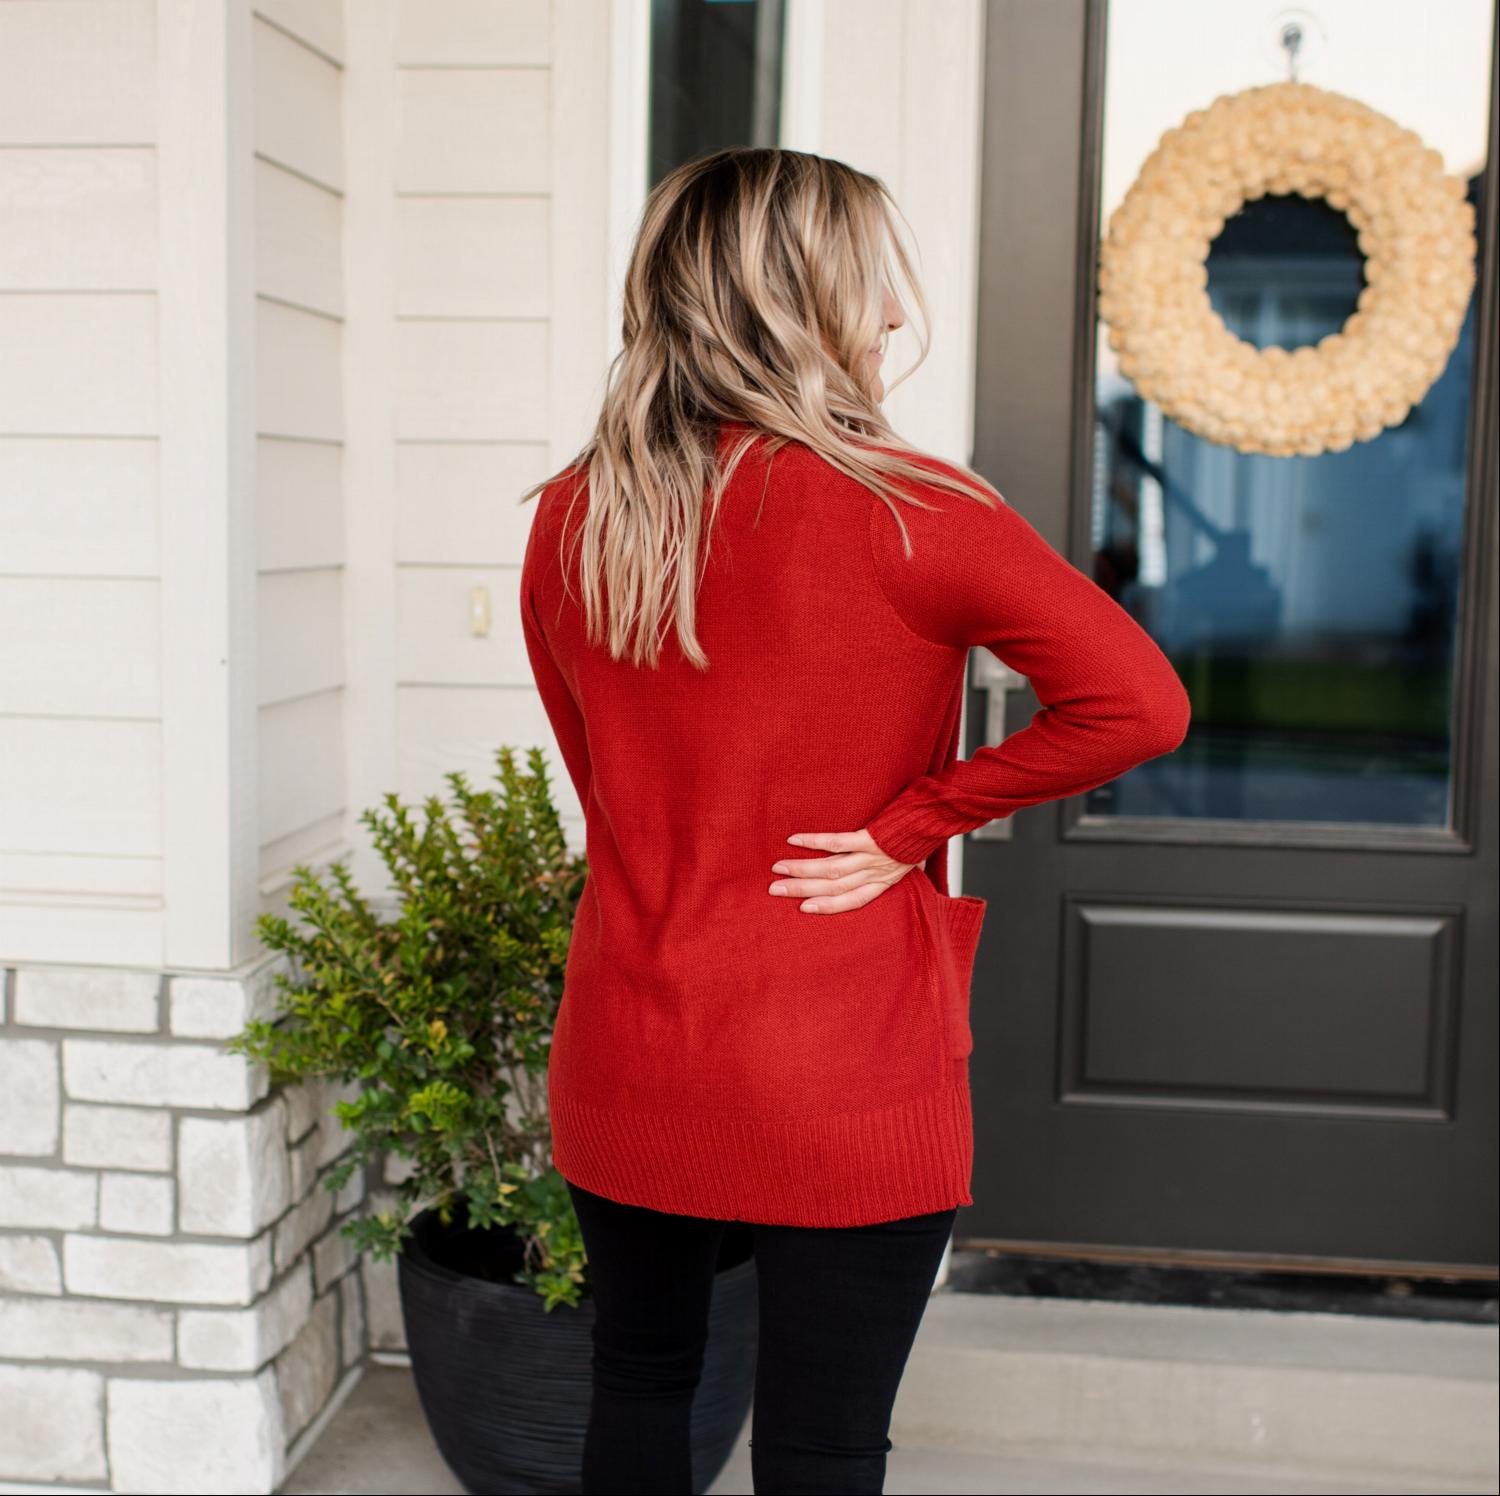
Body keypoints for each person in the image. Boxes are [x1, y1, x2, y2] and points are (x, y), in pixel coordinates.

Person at [518, 146, 1191, 1495]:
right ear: (800, 299)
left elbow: (613, 798)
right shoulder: (914, 508)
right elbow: (1141, 705)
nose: (892, 315)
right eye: (870, 281)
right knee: (825, 1446)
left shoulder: (576, 518)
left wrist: (886, 819)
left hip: (633, 1040)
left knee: (639, 1385)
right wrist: (913, 822)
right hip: (841, 1066)